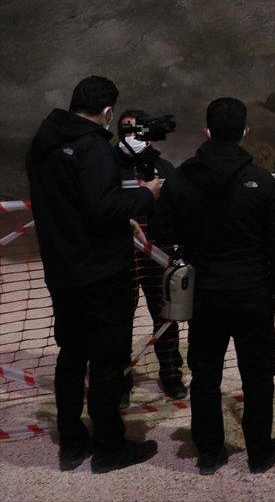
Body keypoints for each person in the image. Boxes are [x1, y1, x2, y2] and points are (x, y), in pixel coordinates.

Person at [25, 76, 162, 473]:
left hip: (62, 270)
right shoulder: (93, 149)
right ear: (107, 112)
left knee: (71, 355)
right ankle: (109, 447)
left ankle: (71, 443)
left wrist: (121, 220)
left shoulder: (44, 139)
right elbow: (102, 207)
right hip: (102, 272)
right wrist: (144, 196)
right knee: (106, 359)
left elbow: (76, 205)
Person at [153, 98, 275, 475]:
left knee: (205, 374)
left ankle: (210, 452)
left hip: (205, 293)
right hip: (251, 291)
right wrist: (271, 285)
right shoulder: (261, 181)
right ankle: (260, 452)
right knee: (258, 373)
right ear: (245, 131)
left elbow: (163, 232)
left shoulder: (181, 179)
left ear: (207, 131)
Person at [113, 108, 186, 403]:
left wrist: (176, 249)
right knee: (119, 319)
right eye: (126, 131)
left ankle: (171, 374)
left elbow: (176, 212)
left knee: (165, 316)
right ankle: (120, 379)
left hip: (158, 256)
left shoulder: (164, 168)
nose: (132, 136)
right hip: (120, 256)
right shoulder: (107, 167)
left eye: (137, 130)